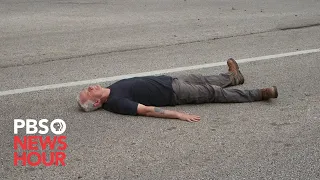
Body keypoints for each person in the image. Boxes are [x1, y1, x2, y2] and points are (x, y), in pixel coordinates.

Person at [77, 58, 278, 122]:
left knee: (203, 78)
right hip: (175, 93)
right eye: (89, 90)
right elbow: (147, 110)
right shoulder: (116, 103)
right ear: (96, 102)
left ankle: (234, 76)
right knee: (214, 92)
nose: (91, 86)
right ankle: (260, 94)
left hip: (170, 80)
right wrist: (178, 115)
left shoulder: (110, 90)